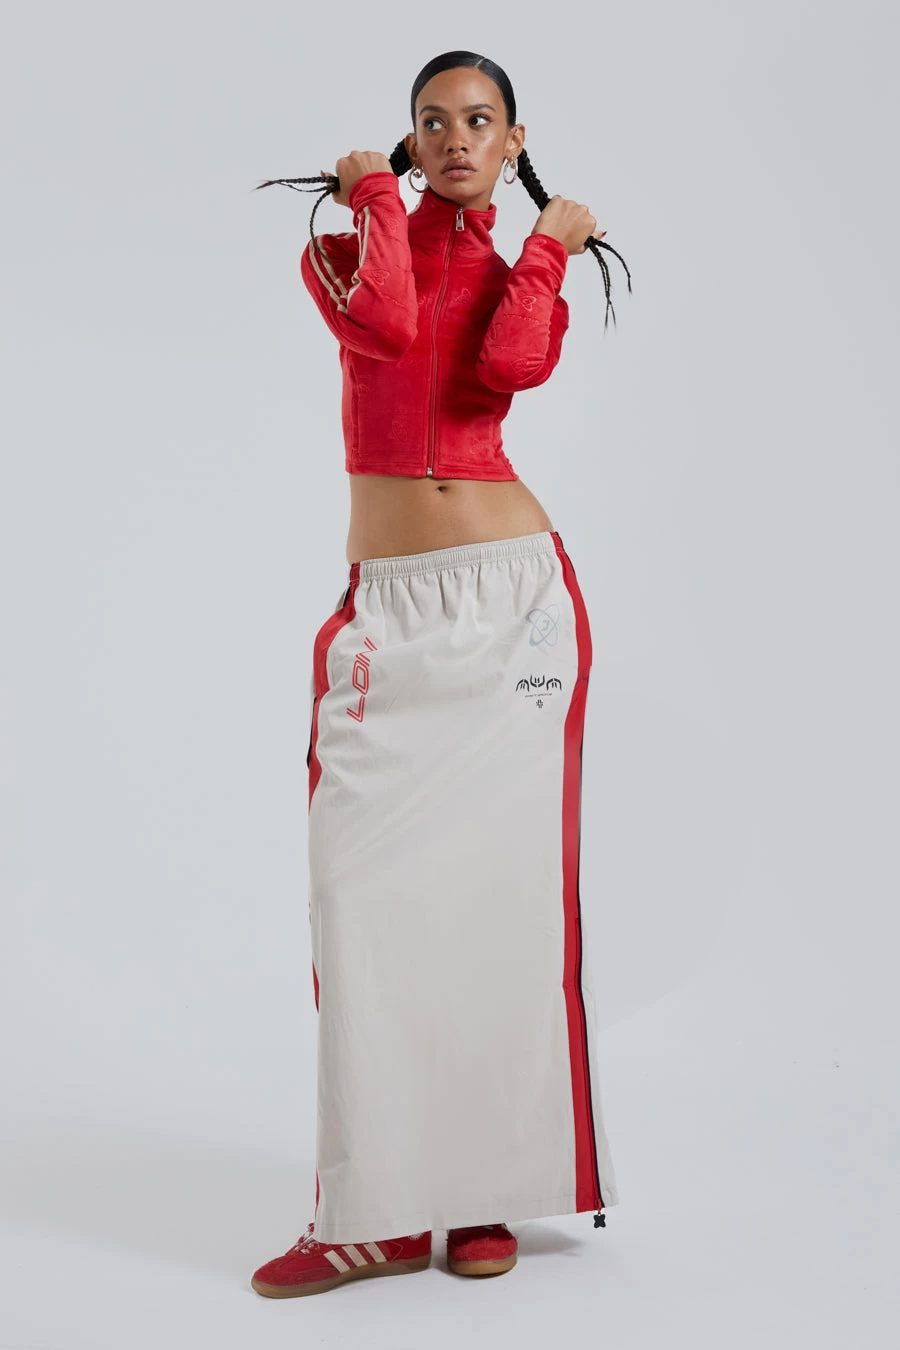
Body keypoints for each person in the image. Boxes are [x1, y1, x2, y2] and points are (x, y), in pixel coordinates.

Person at [251, 49, 628, 1300]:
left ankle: (476, 1194)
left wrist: (549, 248)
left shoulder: (529, 273)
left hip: (511, 606)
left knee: (498, 909)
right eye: (432, 121)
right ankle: (368, 1211)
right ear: (406, 142)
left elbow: (509, 367)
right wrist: (373, 195)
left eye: (480, 120)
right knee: (355, 896)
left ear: (514, 142)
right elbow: (390, 324)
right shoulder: (346, 247)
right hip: (392, 613)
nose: (456, 136)